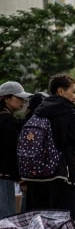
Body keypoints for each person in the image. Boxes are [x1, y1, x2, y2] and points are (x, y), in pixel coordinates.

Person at [23, 74, 75, 225]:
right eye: (73, 91)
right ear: (61, 91)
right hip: (61, 175)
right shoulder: (68, 113)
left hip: (36, 175)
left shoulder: (37, 111)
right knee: (61, 223)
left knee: (38, 221)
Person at [0, 81, 31, 219]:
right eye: (19, 98)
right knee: (7, 222)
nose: (22, 101)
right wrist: (21, 179)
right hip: (4, 177)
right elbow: (10, 153)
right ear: (6, 98)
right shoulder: (6, 121)